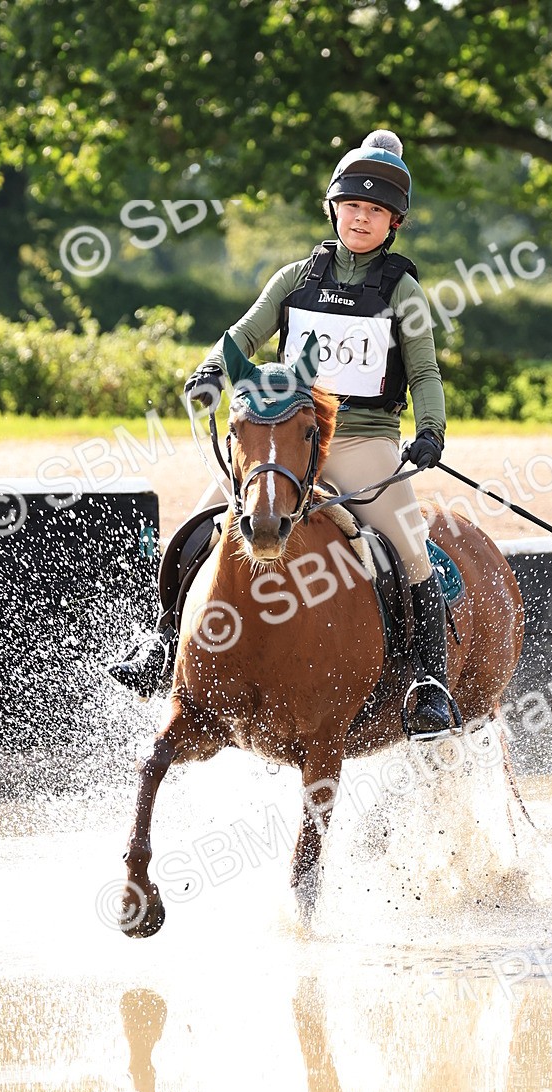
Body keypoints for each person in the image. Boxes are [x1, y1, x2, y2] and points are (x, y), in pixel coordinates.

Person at [110, 129, 456, 737]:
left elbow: (424, 371)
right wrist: (213, 370)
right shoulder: (295, 278)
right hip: (283, 437)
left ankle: (428, 684)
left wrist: (430, 431)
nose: (361, 218)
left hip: (361, 440)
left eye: (375, 211)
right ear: (334, 209)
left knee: (410, 551)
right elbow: (241, 336)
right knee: (195, 528)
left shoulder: (404, 291)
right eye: (352, 206)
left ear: (394, 222)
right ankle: (163, 645)